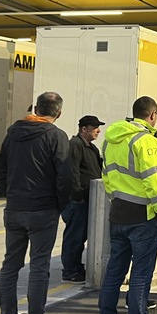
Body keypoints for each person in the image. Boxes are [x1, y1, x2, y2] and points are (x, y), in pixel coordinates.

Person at [0, 91, 73, 314]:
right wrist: (60, 205)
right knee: (39, 266)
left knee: (10, 265)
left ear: (36, 108)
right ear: (58, 113)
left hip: (15, 209)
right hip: (43, 209)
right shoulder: (56, 136)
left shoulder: (13, 133)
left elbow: (0, 170)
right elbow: (64, 177)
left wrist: (11, 196)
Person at [96, 96, 157, 314]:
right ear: (152, 115)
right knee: (141, 273)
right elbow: (153, 179)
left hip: (118, 213)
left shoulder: (110, 140)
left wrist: (116, 201)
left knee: (114, 272)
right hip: (143, 216)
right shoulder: (146, 140)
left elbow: (106, 177)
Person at [60, 114, 104, 283]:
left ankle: (77, 267)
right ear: (84, 129)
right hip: (77, 201)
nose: (98, 131)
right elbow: (72, 173)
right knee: (74, 236)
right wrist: (77, 197)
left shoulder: (91, 148)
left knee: (81, 236)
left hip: (87, 200)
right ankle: (70, 270)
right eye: (94, 128)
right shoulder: (75, 145)